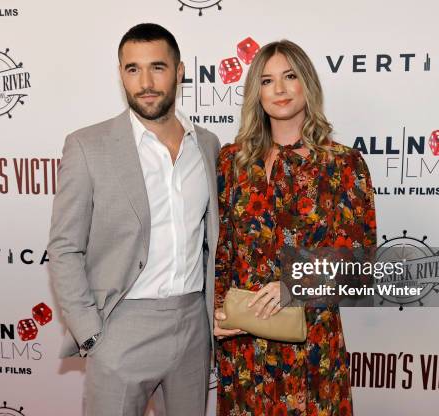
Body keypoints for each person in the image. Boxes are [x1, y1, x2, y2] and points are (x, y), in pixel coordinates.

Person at [47, 23, 221, 416]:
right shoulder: (88, 146)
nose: (145, 82)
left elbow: (211, 241)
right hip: (121, 327)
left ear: (179, 72)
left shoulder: (207, 145)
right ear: (121, 73)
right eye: (132, 69)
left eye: (157, 68)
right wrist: (90, 334)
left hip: (193, 326)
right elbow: (64, 247)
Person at [213, 40, 377, 415]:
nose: (280, 89)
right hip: (244, 345)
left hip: (312, 345)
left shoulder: (344, 164)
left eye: (290, 76)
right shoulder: (231, 162)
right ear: (257, 92)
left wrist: (294, 283)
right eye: (268, 81)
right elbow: (220, 250)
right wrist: (216, 311)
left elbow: (361, 264)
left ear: (307, 83)